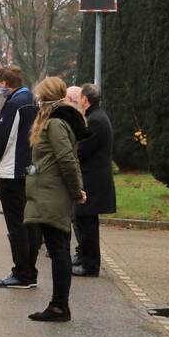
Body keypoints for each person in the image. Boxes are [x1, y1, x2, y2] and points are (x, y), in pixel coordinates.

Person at [23, 77, 89, 321]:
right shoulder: (52, 121)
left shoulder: (56, 124)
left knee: (59, 250)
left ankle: (60, 306)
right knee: (57, 248)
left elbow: (66, 159)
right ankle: (59, 304)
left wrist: (75, 190)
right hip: (49, 192)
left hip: (53, 195)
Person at [0, 65, 40, 289]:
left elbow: (3, 136)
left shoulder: (15, 104)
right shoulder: (31, 100)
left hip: (12, 171)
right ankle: (30, 270)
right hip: (29, 169)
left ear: (5, 82)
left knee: (16, 224)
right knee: (29, 223)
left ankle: (22, 272)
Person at [72, 83, 116, 277]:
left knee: (87, 223)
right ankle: (85, 259)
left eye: (80, 97)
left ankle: (91, 265)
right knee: (83, 220)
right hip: (93, 177)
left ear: (84, 99)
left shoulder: (95, 120)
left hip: (93, 179)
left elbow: (83, 148)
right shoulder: (96, 117)